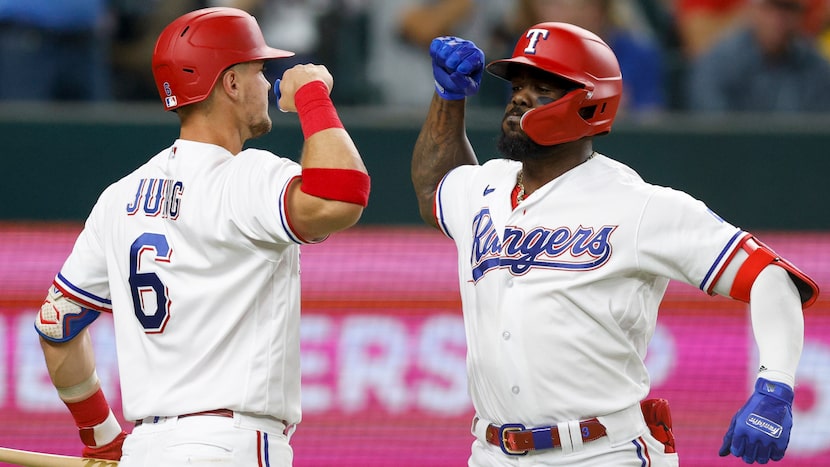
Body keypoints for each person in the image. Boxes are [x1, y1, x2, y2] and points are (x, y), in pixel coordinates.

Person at [411, 22, 819, 466]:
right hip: (491, 452)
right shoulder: (484, 185)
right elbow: (437, 186)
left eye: (542, 87)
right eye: (518, 84)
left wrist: (775, 387)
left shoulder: (638, 206)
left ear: (590, 103)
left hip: (600, 452)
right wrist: (447, 98)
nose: (520, 97)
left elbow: (769, 275)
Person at [35, 7, 370, 466]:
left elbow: (57, 323)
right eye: (258, 70)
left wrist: (101, 437)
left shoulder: (119, 197)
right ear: (230, 83)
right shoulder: (245, 177)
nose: (267, 84)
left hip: (146, 448)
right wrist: (312, 97)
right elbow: (340, 196)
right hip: (229, 444)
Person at [687, 0, 830, 113]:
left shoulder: (817, 68)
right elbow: (715, 133)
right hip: (736, 149)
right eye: (770, 6)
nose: (778, 18)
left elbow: (818, 135)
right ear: (752, 10)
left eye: (789, 8)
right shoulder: (718, 64)